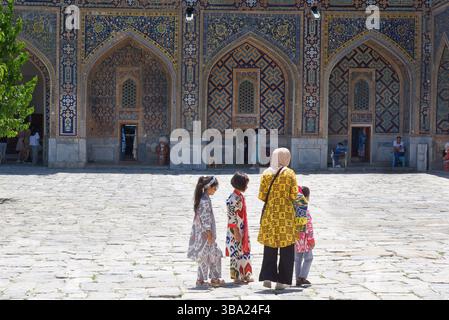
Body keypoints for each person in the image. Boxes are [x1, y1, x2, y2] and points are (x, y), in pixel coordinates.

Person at [258, 148, 299, 290]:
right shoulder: (289, 173)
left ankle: (268, 278)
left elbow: (262, 196)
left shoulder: (266, 173)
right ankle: (282, 281)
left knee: (270, 247)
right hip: (286, 215)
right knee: (287, 248)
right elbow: (294, 194)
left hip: (270, 215)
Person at [187, 176, 225, 288]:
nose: (215, 190)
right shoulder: (204, 201)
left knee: (213, 254)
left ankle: (213, 278)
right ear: (209, 187)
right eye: (215, 188)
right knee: (207, 256)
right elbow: (205, 218)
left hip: (206, 234)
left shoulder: (205, 198)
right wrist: (209, 233)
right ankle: (202, 279)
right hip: (205, 235)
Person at [226, 172, 253, 284]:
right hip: (235, 230)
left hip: (243, 228)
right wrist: (236, 231)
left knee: (244, 250)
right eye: (245, 184)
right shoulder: (232, 199)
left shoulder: (239, 196)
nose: (247, 186)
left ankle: (246, 274)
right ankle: (236, 276)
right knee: (235, 252)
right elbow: (231, 217)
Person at [294, 186, 315, 287]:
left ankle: (297, 278)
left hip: (297, 238)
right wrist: (311, 239)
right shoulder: (305, 209)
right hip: (305, 239)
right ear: (307, 197)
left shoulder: (296, 207)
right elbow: (309, 227)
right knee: (309, 258)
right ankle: (302, 277)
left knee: (298, 259)